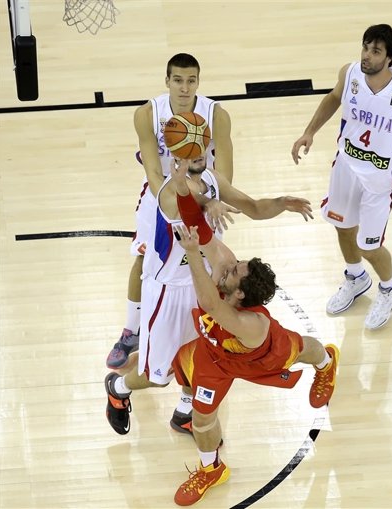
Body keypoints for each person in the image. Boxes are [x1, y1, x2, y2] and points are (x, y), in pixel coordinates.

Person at [104, 152, 313, 437]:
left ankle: (184, 411)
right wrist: (203, 199)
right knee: (159, 376)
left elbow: (251, 207)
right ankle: (117, 388)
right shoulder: (167, 190)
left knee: (199, 356)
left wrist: (281, 204)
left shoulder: (214, 182)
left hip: (203, 282)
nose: (196, 153)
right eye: (187, 149)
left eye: (200, 145)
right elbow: (186, 207)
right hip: (169, 290)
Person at [168, 168, 339, 506]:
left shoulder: (252, 325)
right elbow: (201, 231)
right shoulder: (226, 267)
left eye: (233, 272)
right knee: (202, 417)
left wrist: (190, 254)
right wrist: (183, 191)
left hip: (260, 356)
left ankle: (328, 363)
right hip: (216, 356)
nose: (228, 264)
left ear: (241, 295)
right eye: (235, 265)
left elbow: (211, 304)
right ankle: (211, 468)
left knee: (305, 349)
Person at [291, 23, 392, 330]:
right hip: (346, 166)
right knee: (343, 228)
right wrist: (309, 132)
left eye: (376, 51)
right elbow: (333, 97)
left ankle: (389, 288)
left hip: (380, 178)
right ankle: (355, 278)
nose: (367, 55)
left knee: (370, 245)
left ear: (389, 58)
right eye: (366, 48)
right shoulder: (350, 73)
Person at [106, 52, 234, 370]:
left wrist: (208, 199)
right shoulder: (148, 114)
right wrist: (179, 198)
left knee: (207, 265)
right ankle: (130, 331)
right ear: (167, 81)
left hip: (205, 198)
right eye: (177, 80)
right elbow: (153, 175)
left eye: (191, 80)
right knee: (144, 259)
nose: (184, 88)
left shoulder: (216, 114)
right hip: (160, 197)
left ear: (198, 82)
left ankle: (208, 326)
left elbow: (226, 173)